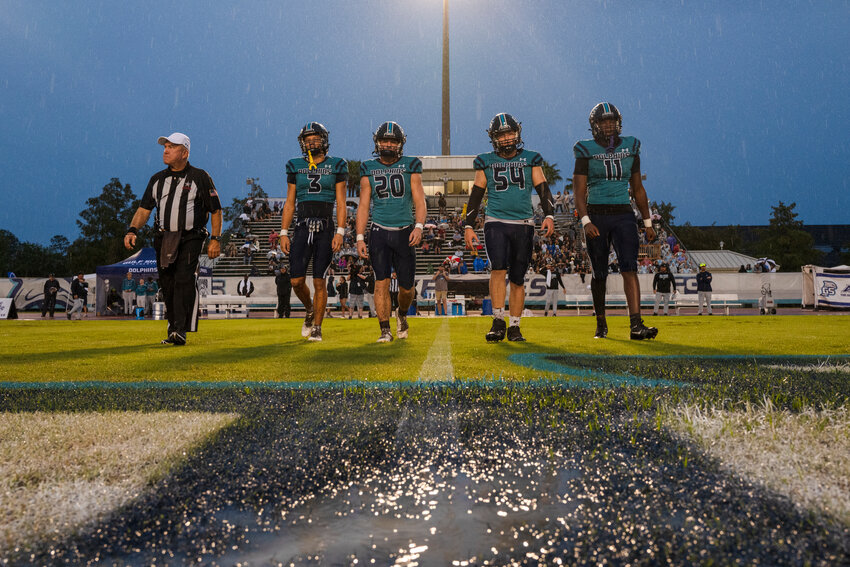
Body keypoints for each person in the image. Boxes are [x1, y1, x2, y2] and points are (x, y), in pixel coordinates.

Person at [124, 132, 223, 345]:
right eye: (165, 146)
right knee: (167, 283)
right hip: (164, 237)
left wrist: (215, 238)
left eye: (172, 147)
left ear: (184, 153)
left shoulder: (199, 176)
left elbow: (215, 210)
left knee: (183, 279)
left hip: (191, 236)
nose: (166, 150)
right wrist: (132, 229)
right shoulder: (157, 179)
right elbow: (144, 209)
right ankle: (174, 326)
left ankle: (180, 329)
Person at [464, 113, 555, 342]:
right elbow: (476, 195)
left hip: (524, 223)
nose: (506, 138)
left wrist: (550, 215)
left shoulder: (531, 159)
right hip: (496, 222)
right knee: (498, 269)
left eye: (510, 133)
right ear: (494, 138)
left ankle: (514, 325)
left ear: (518, 134)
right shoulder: (486, 161)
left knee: (517, 278)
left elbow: (543, 189)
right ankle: (497, 320)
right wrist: (468, 226)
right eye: (501, 135)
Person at [573, 102, 657, 340]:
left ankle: (636, 325)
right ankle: (601, 322)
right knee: (599, 273)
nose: (608, 125)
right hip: (597, 213)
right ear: (594, 125)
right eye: (603, 121)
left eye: (611, 121)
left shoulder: (631, 147)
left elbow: (638, 188)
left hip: (623, 213)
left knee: (629, 268)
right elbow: (578, 191)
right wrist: (586, 221)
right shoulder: (585, 149)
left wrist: (647, 222)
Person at [356, 121, 426, 342]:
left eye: (392, 140)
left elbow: (419, 199)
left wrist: (419, 226)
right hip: (379, 231)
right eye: (384, 140)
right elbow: (364, 205)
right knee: (381, 282)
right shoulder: (368, 167)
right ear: (377, 143)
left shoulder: (411, 165)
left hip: (405, 231)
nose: (388, 144)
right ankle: (384, 329)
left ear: (400, 144)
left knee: (406, 289)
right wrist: (359, 236)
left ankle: (402, 314)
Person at [281, 122, 348, 342]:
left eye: (315, 138)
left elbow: (341, 201)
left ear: (324, 139)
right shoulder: (295, 165)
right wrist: (283, 231)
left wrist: (340, 231)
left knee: (319, 280)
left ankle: (317, 327)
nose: (311, 142)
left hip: (326, 226)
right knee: (296, 281)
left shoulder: (337, 165)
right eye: (307, 139)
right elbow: (290, 202)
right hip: (302, 226)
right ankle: (309, 309)